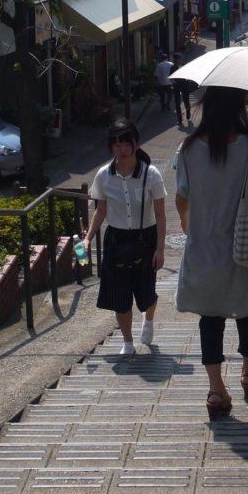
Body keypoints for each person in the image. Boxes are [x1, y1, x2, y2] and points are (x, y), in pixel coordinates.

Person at [175, 87, 248, 413]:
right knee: (247, 309)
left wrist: (187, 224)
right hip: (244, 242)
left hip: (205, 244)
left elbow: (182, 195)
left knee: (211, 315)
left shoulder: (189, 148)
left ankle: (216, 389)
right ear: (240, 106)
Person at [84, 119, 166, 354]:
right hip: (116, 240)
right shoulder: (103, 175)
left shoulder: (151, 174)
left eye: (125, 143)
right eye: (116, 144)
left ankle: (148, 320)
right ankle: (127, 342)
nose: (121, 149)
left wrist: (160, 249)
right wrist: (88, 238)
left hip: (146, 239)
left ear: (136, 144)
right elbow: (100, 210)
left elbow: (160, 215)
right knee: (120, 295)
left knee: (146, 294)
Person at [170, 53, 193, 128]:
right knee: (177, 103)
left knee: (186, 101)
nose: (179, 60)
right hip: (176, 87)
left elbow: (190, 74)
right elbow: (170, 77)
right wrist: (173, 82)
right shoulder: (173, 68)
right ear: (175, 60)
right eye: (177, 59)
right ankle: (179, 119)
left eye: (180, 58)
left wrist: (189, 80)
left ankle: (188, 111)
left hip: (185, 86)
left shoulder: (185, 66)